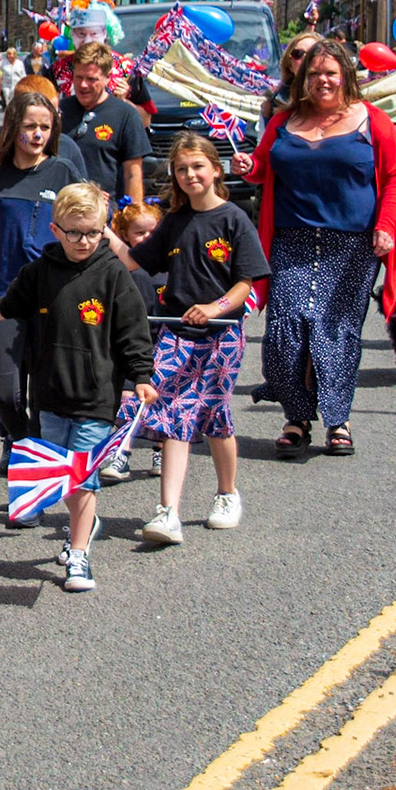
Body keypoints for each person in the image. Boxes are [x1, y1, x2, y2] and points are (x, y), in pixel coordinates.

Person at [0, 183, 157, 593]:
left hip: (96, 397)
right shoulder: (40, 271)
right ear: (56, 229)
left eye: (93, 233)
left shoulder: (113, 273)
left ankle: (78, 554)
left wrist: (141, 379)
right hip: (49, 394)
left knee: (81, 479)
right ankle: (84, 523)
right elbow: (9, 304)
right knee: (61, 476)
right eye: (74, 232)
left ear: (104, 229)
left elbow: (133, 332)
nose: (84, 241)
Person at [232, 40, 396, 459]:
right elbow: (263, 167)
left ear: (346, 75)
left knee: (335, 333)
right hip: (291, 241)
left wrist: (386, 226)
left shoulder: (374, 121)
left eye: (330, 73)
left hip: (351, 244)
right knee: (284, 332)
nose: (322, 81)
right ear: (302, 79)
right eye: (314, 74)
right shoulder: (283, 122)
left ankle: (337, 420)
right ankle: (296, 415)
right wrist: (249, 168)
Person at [107, 134, 268, 545]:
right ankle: (168, 512)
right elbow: (133, 261)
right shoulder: (173, 222)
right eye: (181, 169)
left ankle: (227, 493)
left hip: (221, 334)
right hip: (176, 332)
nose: (189, 175)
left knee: (213, 415)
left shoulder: (234, 218)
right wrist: (98, 226)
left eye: (197, 166)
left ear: (216, 169)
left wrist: (215, 308)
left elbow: (245, 285)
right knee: (171, 412)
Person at [0, 89, 83, 483]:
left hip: (55, 299)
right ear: (14, 128)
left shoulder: (62, 172)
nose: (38, 134)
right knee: (6, 396)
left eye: (45, 127)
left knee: (44, 398)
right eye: (30, 127)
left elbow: (87, 231)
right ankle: (24, 443)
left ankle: (33, 476)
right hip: (7, 298)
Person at [97, 199, 167, 482]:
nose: (147, 238)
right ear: (125, 236)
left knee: (163, 399)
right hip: (131, 342)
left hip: (166, 340)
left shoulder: (170, 263)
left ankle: (161, 450)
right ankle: (121, 451)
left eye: (153, 232)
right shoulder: (122, 267)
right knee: (127, 398)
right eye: (139, 233)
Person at [60, 42, 152, 207]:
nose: (83, 85)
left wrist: (132, 218)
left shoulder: (125, 115)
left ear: (108, 77)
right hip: (65, 211)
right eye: (78, 77)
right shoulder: (60, 111)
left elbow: (133, 173)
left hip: (107, 214)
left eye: (91, 79)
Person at [264, 32, 324, 124]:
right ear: (290, 65)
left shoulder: (336, 100)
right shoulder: (275, 102)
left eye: (313, 53)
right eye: (298, 54)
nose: (305, 59)